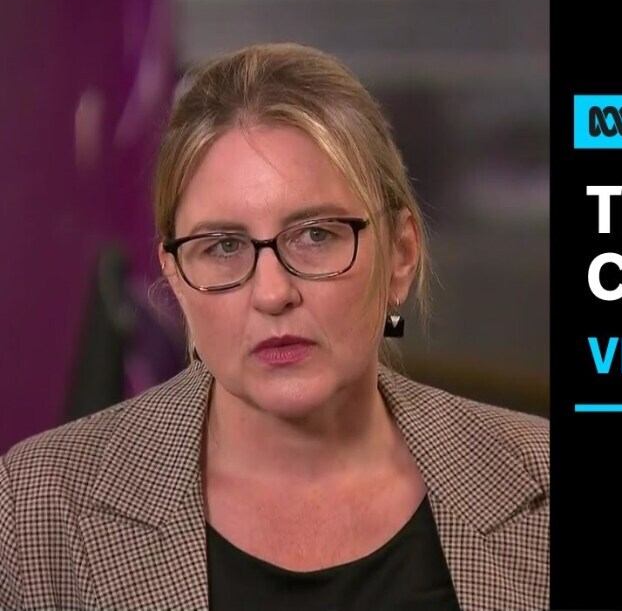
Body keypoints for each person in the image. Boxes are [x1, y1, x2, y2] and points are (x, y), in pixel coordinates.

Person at [0, 43, 549, 610]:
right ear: (177, 277)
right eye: (223, 246)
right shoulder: (38, 509)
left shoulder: (541, 480)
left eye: (315, 235)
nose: (272, 293)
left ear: (400, 255)